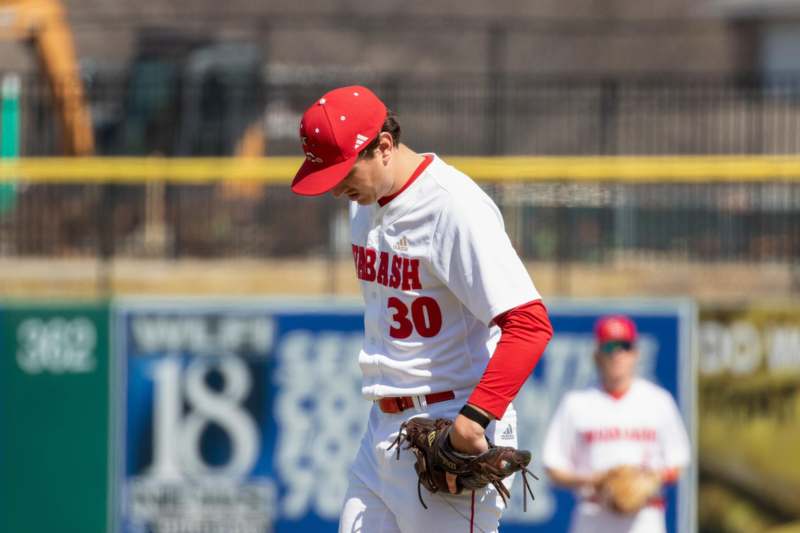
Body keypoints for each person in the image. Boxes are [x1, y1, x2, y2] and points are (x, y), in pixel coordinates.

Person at [290, 85, 553, 533]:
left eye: (342, 170)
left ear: (385, 147)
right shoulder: (366, 203)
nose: (336, 188)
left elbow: (529, 324)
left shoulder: (453, 207)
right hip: (382, 432)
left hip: (450, 422)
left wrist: (473, 422)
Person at [542, 315, 691, 533]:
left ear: (636, 353)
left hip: (645, 517)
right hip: (593, 515)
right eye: (610, 346)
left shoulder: (659, 400)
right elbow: (553, 466)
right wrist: (595, 480)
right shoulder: (576, 403)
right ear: (597, 355)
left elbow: (677, 462)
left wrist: (645, 482)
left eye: (625, 346)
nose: (617, 354)